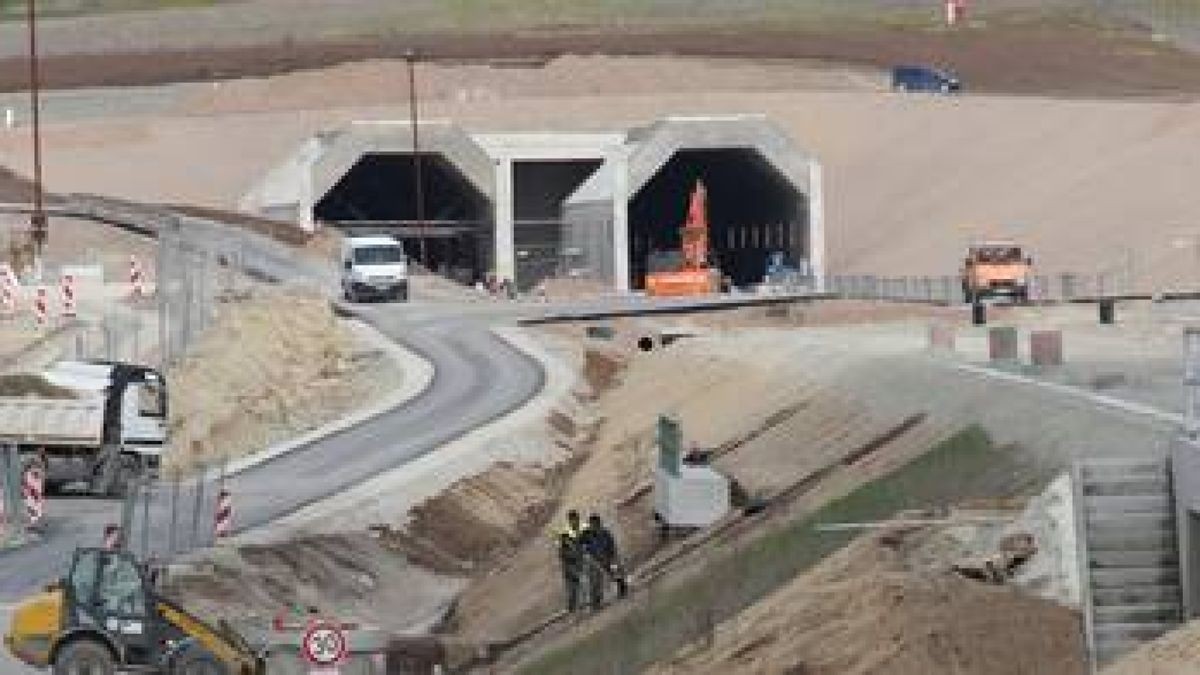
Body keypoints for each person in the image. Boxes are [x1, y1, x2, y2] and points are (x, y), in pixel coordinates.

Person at [580, 513, 627, 609]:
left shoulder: (605, 533)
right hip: (596, 561)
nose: (594, 527)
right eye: (592, 525)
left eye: (595, 524)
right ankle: (596, 602)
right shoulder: (588, 536)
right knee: (595, 580)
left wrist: (613, 559)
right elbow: (585, 550)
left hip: (608, 558)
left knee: (615, 571)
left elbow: (612, 547)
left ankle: (622, 588)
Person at [554, 510, 586, 613]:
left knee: (583, 583)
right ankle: (573, 608)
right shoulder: (565, 534)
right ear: (569, 521)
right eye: (571, 520)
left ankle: (583, 604)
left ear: (578, 519)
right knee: (572, 588)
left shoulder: (584, 528)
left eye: (575, 519)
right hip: (569, 564)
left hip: (581, 561)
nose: (574, 522)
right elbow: (561, 552)